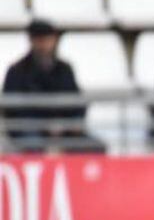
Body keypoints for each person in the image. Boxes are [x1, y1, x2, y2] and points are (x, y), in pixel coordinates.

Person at [1, 19, 101, 153]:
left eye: (48, 40)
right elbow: (13, 111)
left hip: (64, 130)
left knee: (94, 147)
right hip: (29, 131)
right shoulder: (17, 71)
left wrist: (69, 123)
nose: (45, 45)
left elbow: (77, 101)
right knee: (34, 146)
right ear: (32, 41)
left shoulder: (64, 69)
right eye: (40, 40)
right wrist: (45, 125)